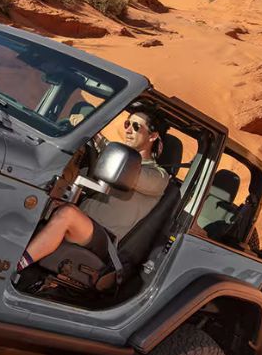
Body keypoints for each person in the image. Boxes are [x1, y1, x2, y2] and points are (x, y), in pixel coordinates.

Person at [17, 106, 170, 271]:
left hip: (105, 239)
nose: (128, 130)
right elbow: (109, 150)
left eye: (136, 126)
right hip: (84, 221)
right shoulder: (119, 157)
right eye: (127, 124)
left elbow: (124, 167)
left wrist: (100, 139)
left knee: (67, 214)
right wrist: (88, 128)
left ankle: (15, 267)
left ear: (153, 136)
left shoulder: (158, 176)